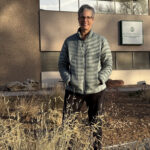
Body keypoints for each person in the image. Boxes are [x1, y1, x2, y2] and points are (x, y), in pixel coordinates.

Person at [58, 4, 112, 150]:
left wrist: (100, 78)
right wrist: (68, 79)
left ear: (93, 20)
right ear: (78, 19)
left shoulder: (101, 41)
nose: (85, 20)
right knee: (67, 124)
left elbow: (108, 64)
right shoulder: (69, 42)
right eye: (82, 17)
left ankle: (96, 148)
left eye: (88, 17)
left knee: (96, 125)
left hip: (96, 90)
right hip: (73, 89)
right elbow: (62, 64)